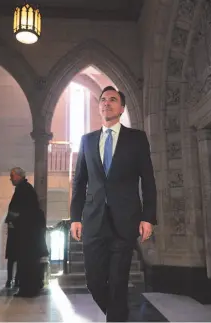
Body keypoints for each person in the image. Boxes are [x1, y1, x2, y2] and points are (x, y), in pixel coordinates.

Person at [70, 86, 157, 322]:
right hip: (94, 219)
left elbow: (148, 180)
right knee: (94, 281)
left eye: (112, 99)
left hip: (125, 220)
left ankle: (117, 318)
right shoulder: (87, 141)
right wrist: (75, 217)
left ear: (121, 108)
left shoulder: (136, 139)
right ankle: (118, 313)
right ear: (99, 106)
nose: (106, 103)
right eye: (103, 100)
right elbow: (79, 182)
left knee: (118, 280)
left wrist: (148, 217)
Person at [7, 167, 48, 297]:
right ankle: (30, 287)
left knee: (26, 262)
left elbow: (20, 210)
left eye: (12, 176)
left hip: (25, 233)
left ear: (18, 176)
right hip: (29, 233)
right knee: (28, 261)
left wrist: (13, 219)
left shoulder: (23, 189)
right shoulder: (26, 188)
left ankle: (27, 289)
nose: (11, 179)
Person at [4, 214, 19, 288]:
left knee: (12, 260)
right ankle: (13, 280)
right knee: (13, 260)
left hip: (13, 237)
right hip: (15, 237)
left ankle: (12, 280)